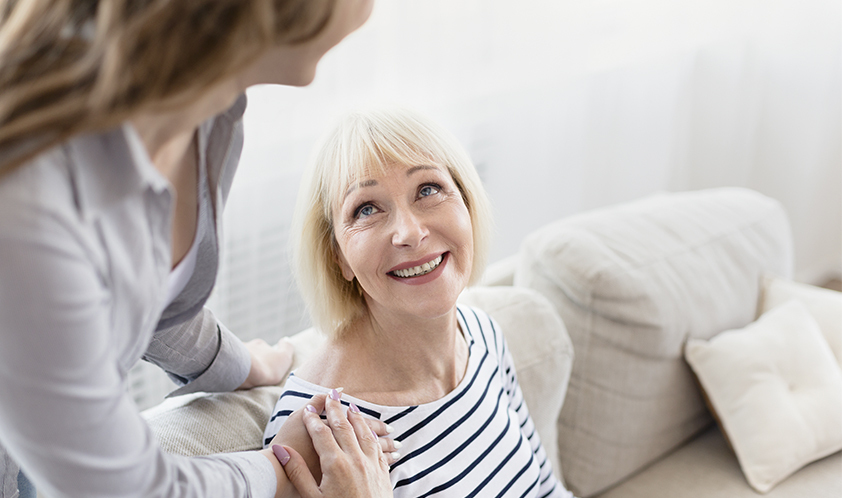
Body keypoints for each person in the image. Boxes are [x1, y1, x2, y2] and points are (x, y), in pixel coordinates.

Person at [0, 1, 395, 497]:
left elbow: (141, 291)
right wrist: (281, 468)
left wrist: (244, 364)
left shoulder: (212, 116)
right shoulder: (27, 210)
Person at [263, 108, 576, 497]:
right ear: (338, 257)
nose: (410, 233)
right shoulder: (321, 431)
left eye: (428, 189)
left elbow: (545, 488)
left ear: (465, 201)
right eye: (366, 209)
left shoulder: (480, 332)